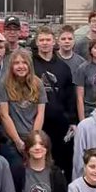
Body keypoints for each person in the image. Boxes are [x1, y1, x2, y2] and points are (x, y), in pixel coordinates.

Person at [33, 27, 75, 176]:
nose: (45, 43)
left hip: (59, 123)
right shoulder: (30, 65)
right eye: (42, 40)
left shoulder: (63, 67)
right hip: (37, 121)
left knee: (59, 162)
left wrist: (72, 120)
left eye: (48, 40)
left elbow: (70, 95)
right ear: (37, 42)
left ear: (54, 42)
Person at [0, 48, 47, 164]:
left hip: (32, 137)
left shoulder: (38, 83)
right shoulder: (3, 84)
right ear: (11, 66)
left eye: (24, 62)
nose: (21, 66)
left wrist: (33, 140)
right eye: (16, 63)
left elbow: (40, 113)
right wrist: (17, 141)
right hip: (11, 140)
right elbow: (4, 115)